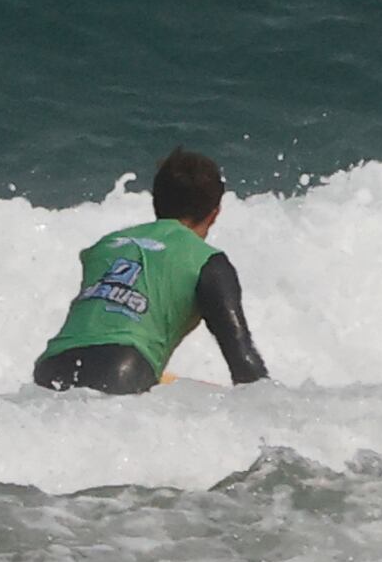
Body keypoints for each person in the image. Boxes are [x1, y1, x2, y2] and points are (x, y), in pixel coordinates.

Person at [33, 147, 270, 394]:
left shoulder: (106, 245)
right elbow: (244, 364)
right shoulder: (208, 262)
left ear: (156, 200)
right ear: (214, 214)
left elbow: (97, 341)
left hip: (51, 368)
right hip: (122, 367)